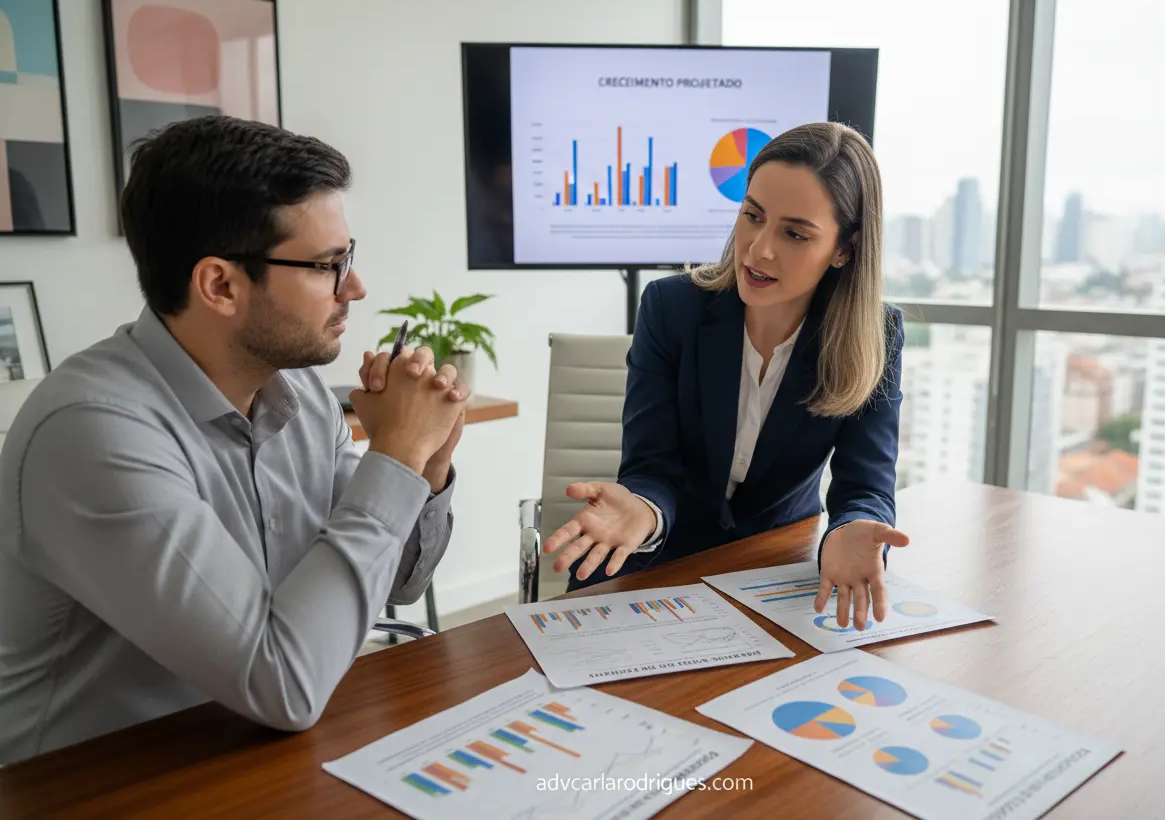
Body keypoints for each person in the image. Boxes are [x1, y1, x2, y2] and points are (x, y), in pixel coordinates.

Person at [0, 116, 468, 764]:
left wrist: (426, 465)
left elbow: (398, 583)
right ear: (220, 285)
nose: (355, 288)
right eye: (328, 266)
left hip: (255, 755)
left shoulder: (301, 395)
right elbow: (283, 683)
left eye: (349, 257)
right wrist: (396, 456)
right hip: (99, 784)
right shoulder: (92, 432)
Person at [543, 122, 909, 630]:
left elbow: (865, 486)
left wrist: (852, 528)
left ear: (845, 249)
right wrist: (644, 509)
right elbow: (652, 466)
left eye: (794, 233)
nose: (758, 250)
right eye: (752, 216)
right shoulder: (670, 308)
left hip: (775, 566)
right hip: (657, 560)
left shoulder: (875, 336)